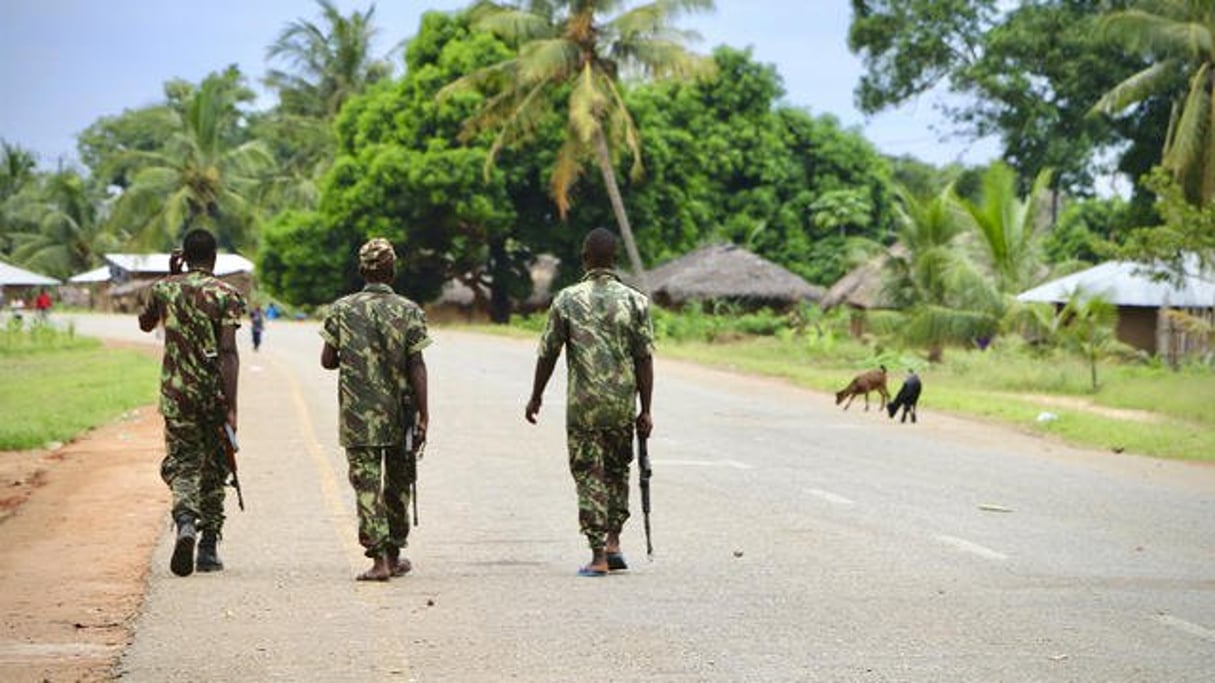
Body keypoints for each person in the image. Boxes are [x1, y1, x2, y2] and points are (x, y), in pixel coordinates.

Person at [525, 227, 655, 577]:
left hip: (583, 407)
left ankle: (598, 556)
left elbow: (548, 353)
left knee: (589, 474)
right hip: (620, 406)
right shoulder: (635, 301)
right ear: (615, 260)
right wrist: (646, 409)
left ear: (585, 258)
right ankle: (613, 543)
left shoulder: (567, 299)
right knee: (617, 471)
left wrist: (536, 395)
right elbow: (644, 359)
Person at [320, 238, 431, 582]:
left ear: (361, 270)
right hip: (400, 412)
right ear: (392, 270)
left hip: (358, 414)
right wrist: (424, 413)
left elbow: (327, 361)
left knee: (366, 483)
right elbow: (417, 365)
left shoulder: (341, 309)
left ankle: (379, 559)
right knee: (398, 484)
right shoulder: (409, 310)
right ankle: (395, 553)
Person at [138, 228, 245, 577]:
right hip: (212, 396)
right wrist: (231, 405)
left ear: (183, 254)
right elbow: (228, 351)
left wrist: (170, 275)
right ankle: (208, 548)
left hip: (176, 396)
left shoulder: (165, 289)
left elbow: (145, 324)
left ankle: (185, 521)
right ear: (214, 258)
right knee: (215, 467)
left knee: (183, 463)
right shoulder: (226, 294)